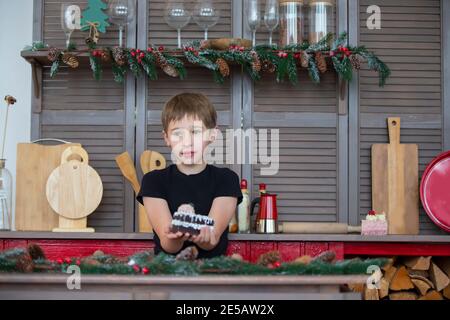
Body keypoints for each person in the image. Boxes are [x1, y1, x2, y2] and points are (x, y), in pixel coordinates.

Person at [136, 92, 243, 258]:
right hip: (166, 275)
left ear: (212, 134)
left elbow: (211, 242)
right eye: (178, 134)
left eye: (196, 132)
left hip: (213, 274)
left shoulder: (226, 180)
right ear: (166, 138)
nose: (187, 142)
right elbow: (168, 246)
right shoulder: (153, 181)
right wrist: (176, 237)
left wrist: (204, 238)